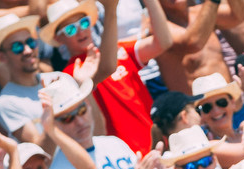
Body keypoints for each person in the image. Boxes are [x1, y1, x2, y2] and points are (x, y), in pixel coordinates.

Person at [46, 0, 172, 157]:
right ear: (58, 39)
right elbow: (108, 67)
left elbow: (164, 42)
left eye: (84, 23)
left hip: (158, 145)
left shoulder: (118, 50)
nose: (80, 31)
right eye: (70, 29)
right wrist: (111, 10)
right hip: (126, 156)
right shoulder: (68, 76)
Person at [0, 13, 48, 146]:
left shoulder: (59, 79)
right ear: (2, 57)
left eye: (30, 42)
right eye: (17, 47)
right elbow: (40, 150)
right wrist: (56, 115)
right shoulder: (7, 103)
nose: (28, 50)